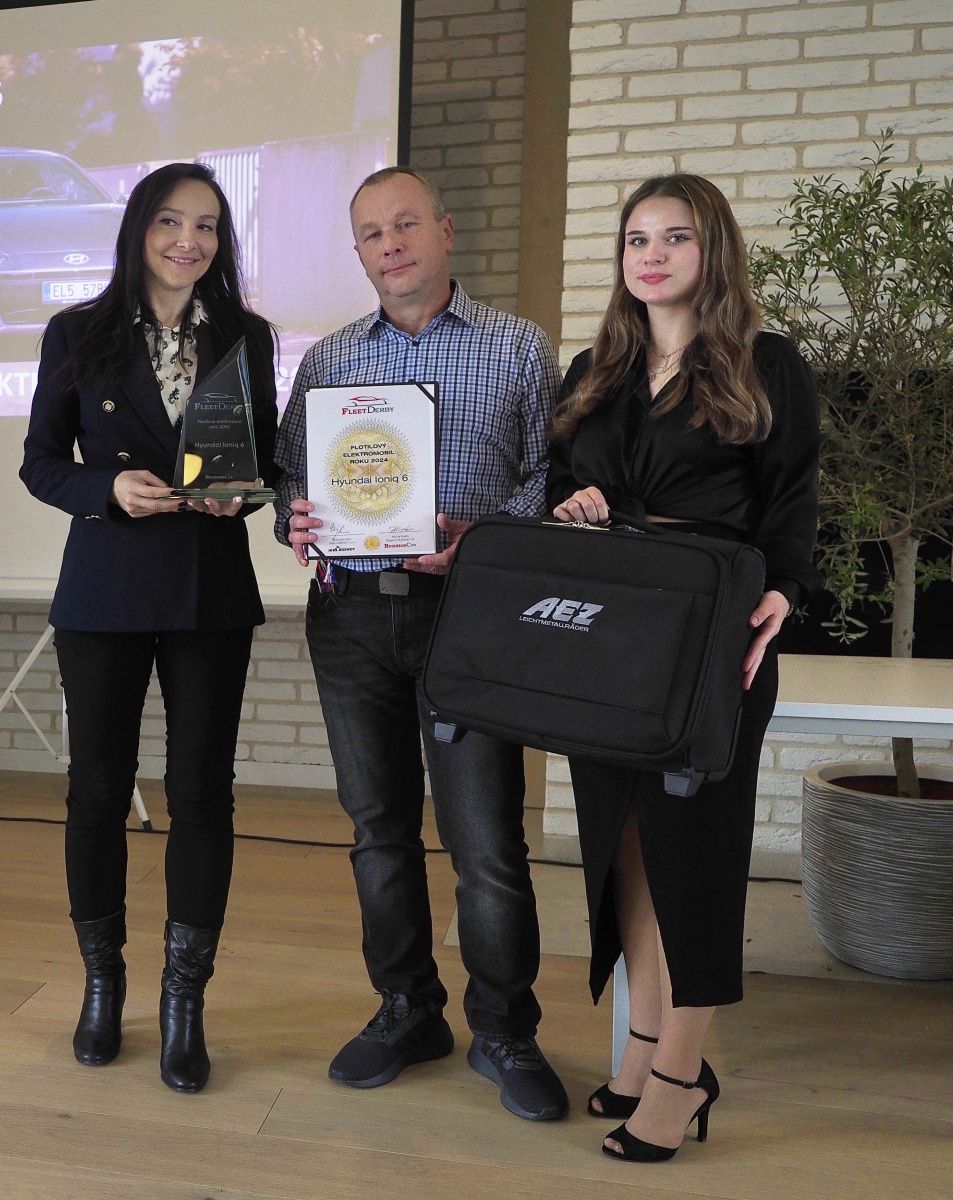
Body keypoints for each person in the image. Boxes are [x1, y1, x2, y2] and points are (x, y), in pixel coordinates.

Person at [273, 166, 569, 1122]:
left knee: (486, 840)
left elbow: (550, 477)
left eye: (405, 224)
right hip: (351, 617)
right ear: (358, 253)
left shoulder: (519, 346)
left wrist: (482, 538)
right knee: (378, 834)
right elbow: (289, 481)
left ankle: (505, 1028)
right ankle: (408, 1008)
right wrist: (296, 518)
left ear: (445, 231)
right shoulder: (327, 361)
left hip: (470, 616)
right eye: (371, 233)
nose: (390, 244)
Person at [548, 173, 820, 1162]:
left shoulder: (766, 362)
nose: (651, 255)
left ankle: (680, 1074)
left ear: (713, 252)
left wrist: (783, 590)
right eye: (636, 239)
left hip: (712, 634)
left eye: (674, 237)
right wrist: (574, 504)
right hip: (609, 637)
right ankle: (640, 1046)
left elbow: (792, 496)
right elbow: (559, 483)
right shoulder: (594, 370)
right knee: (625, 843)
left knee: (692, 854)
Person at [20, 161, 278, 1094]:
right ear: (138, 230)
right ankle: (103, 987)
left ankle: (184, 1001)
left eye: (206, 226)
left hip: (210, 589)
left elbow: (264, 459)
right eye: (171, 221)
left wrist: (242, 496)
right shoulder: (77, 332)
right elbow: (41, 463)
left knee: (202, 795)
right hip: (105, 590)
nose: (188, 241)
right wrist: (108, 489)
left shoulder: (247, 335)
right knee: (96, 792)